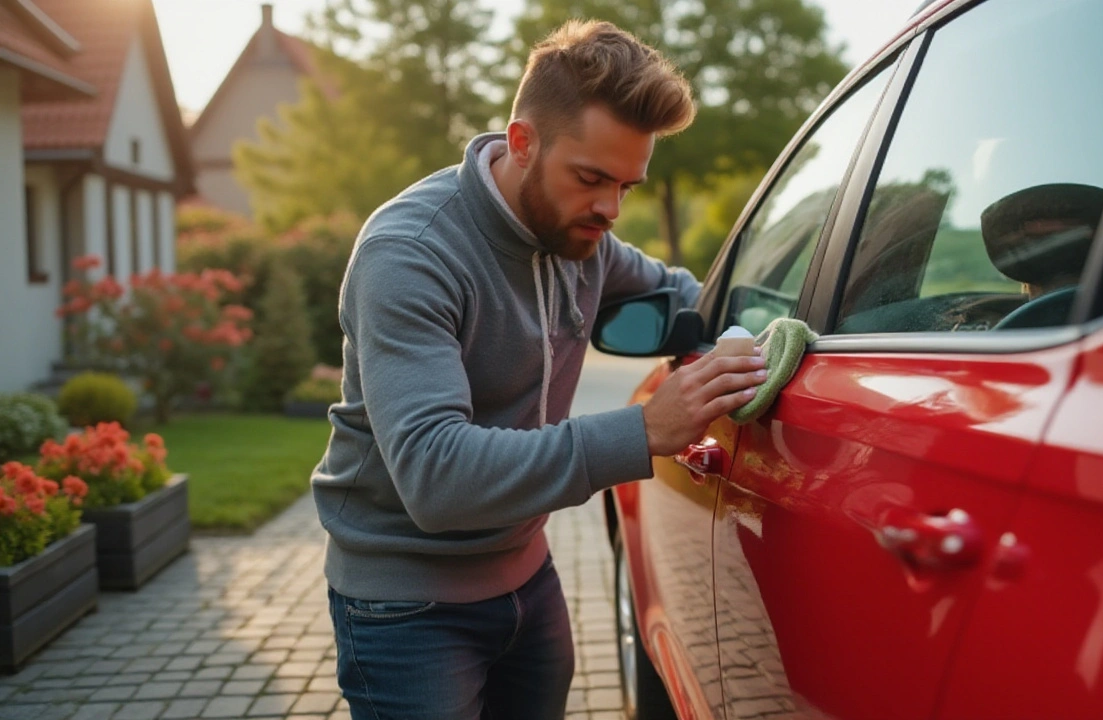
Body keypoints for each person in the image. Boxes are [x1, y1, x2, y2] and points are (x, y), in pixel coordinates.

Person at [311, 19, 768, 720]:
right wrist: (644, 431)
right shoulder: (410, 255)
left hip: (528, 578)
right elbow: (436, 476)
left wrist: (766, 332)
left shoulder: (577, 234)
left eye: (628, 186)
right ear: (522, 143)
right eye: (591, 179)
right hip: (405, 609)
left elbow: (683, 297)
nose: (611, 210)